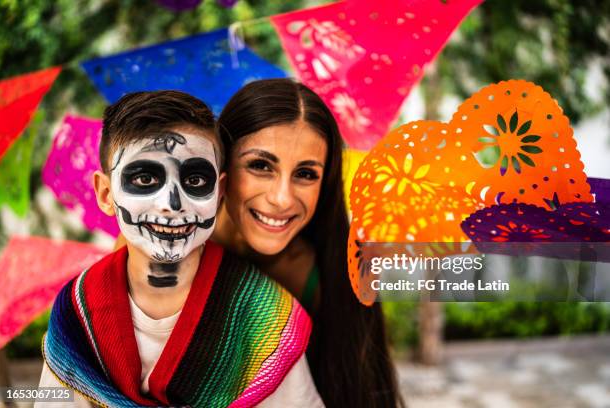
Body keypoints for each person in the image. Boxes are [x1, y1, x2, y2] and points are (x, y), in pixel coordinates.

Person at [36, 90, 323, 407]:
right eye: (145, 178)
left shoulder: (264, 315)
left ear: (220, 191)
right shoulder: (79, 311)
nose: (172, 205)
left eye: (196, 180)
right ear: (105, 194)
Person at [213, 78, 403, 408]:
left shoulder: (329, 274)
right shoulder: (160, 248)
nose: (282, 198)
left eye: (305, 174)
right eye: (260, 165)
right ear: (222, 164)